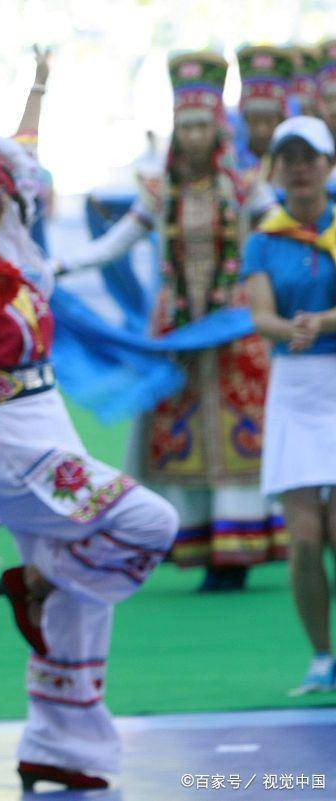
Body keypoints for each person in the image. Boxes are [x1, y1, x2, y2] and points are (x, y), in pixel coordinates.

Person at [0, 127, 178, 791]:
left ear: (0, 211)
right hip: (13, 452)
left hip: (50, 433)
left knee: (83, 611)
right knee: (152, 521)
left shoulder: (19, 262)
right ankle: (40, 577)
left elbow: (23, 166)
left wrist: (38, 94)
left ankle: (56, 748)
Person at [62, 51, 281, 592]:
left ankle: (238, 548)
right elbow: (115, 244)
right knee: (180, 435)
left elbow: (283, 229)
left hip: (236, 332)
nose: (195, 136)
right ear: (175, 132)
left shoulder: (246, 187)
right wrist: (59, 266)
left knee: (240, 430)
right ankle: (196, 542)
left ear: (219, 128)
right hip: (176, 335)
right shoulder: (158, 193)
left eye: (204, 126)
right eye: (186, 127)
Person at [243, 116, 336, 695]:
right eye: (290, 159)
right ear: (276, 169)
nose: (300, 169)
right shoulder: (264, 237)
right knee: (304, 537)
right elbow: (261, 316)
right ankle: (322, 658)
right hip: (295, 391)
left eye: (310, 158)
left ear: (328, 165)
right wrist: (292, 329)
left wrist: (322, 322)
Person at [234, 45, 293, 188]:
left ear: (281, 120)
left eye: (269, 121)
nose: (261, 129)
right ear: (245, 119)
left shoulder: (294, 162)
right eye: (255, 120)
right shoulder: (231, 160)